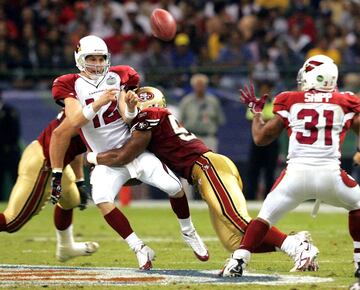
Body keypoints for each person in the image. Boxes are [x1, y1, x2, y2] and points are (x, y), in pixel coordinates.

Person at [86, 86, 319, 274]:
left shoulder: (150, 116)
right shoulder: (157, 119)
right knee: (233, 241)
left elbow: (126, 154)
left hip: (207, 167)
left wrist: (92, 157)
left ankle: (297, 248)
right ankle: (292, 241)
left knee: (237, 219)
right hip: (206, 171)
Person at [51, 35, 208, 270]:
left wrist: (133, 105)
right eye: (90, 58)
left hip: (133, 149)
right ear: (79, 59)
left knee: (174, 187)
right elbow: (74, 120)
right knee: (103, 199)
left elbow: (128, 117)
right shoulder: (69, 83)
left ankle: (189, 231)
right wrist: (98, 102)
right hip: (105, 160)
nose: (96, 63)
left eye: (100, 58)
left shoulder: (119, 76)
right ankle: (139, 248)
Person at [221, 54, 360, 278]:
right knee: (357, 204)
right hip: (331, 176)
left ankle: (238, 261)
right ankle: (359, 261)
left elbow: (261, 138)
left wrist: (257, 113)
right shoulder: (346, 101)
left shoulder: (290, 99)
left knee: (264, 218)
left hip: (294, 177)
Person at [0, 110, 98, 262]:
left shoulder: (88, 105)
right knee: (11, 222)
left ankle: (66, 247)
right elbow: (61, 136)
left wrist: (79, 180)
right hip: (45, 162)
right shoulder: (96, 107)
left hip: (56, 160)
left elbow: (76, 144)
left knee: (72, 200)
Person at [179, 73, 225, 153]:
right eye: (197, 85)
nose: (200, 87)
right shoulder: (186, 101)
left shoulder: (213, 101)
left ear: (206, 86)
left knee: (210, 162)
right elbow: (180, 121)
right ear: (193, 86)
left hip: (209, 137)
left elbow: (220, 120)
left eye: (202, 85)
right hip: (191, 137)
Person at [0, 92, 21, 200]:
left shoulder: (10, 111)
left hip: (11, 151)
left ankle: (19, 200)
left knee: (16, 178)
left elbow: (15, 132)